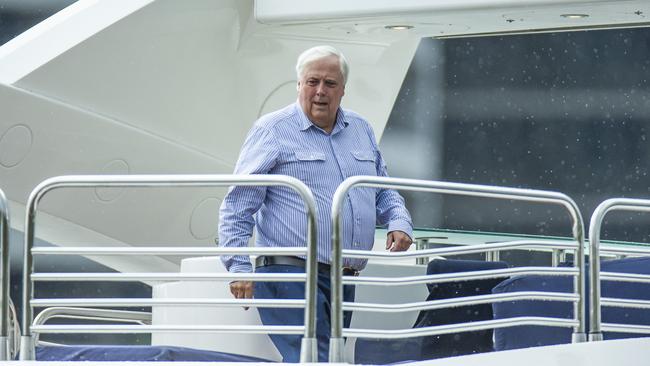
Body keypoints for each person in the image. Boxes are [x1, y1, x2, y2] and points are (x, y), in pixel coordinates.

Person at [218, 45, 413, 362]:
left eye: (330, 83)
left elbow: (382, 189)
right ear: (299, 84)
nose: (320, 91)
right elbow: (237, 205)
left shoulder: (361, 129)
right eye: (312, 81)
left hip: (344, 280)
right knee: (316, 361)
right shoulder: (271, 130)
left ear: (343, 90)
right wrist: (238, 266)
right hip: (291, 276)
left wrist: (399, 221)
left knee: (326, 360)